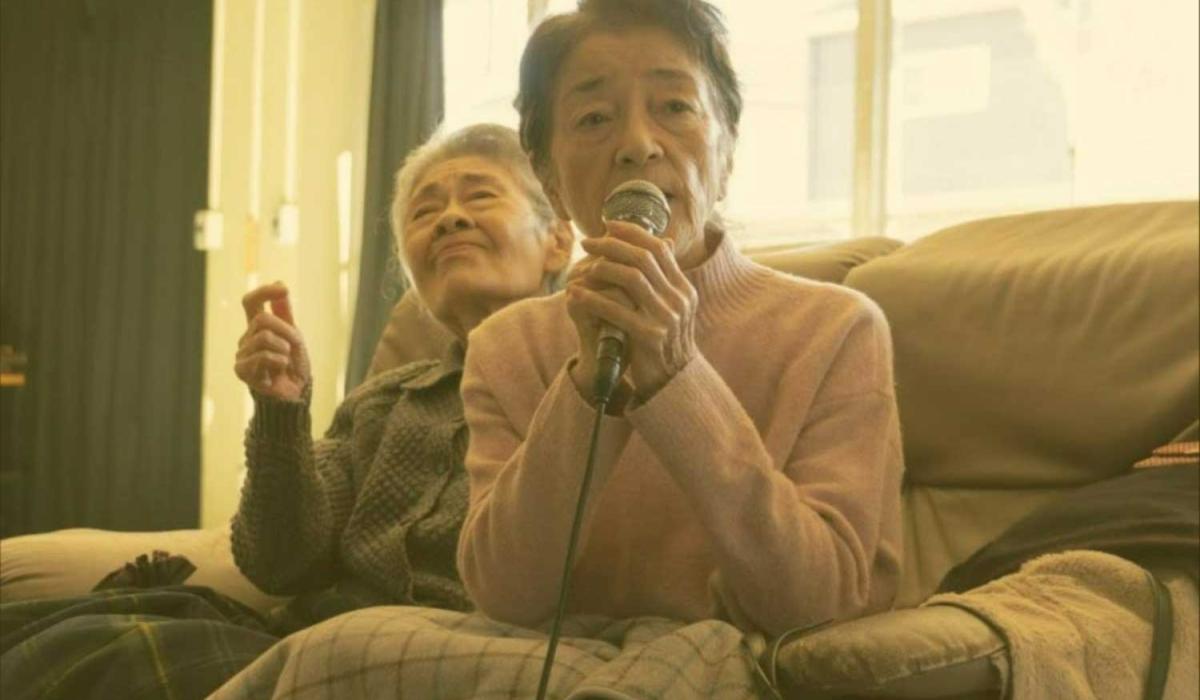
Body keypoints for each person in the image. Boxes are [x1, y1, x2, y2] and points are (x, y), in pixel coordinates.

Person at [0, 122, 574, 699]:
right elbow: (278, 564)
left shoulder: (592, 380)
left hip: (451, 658)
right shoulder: (384, 403)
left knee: (122, 660)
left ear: (558, 240)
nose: (449, 218)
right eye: (424, 213)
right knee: (40, 634)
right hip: (310, 643)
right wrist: (281, 413)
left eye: (479, 195)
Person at [456, 0, 904, 637]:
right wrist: (587, 388)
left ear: (726, 155)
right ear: (552, 184)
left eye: (674, 108)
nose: (638, 145)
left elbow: (826, 599)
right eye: (593, 118)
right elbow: (504, 594)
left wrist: (675, 377)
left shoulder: (838, 330)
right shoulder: (505, 347)